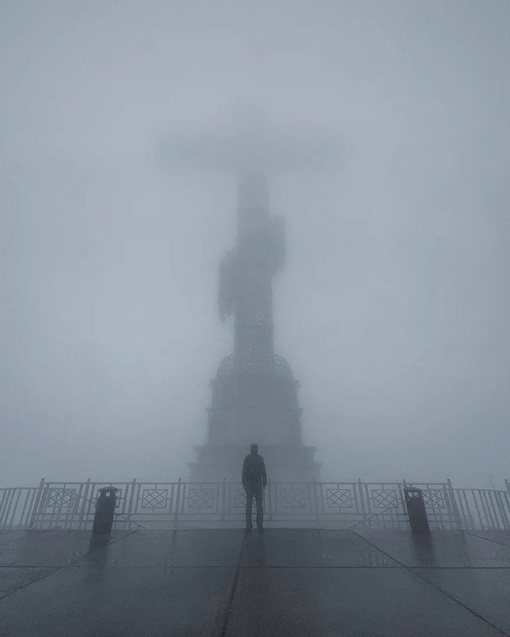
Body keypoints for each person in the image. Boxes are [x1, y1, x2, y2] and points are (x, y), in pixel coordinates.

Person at [242, 443, 267, 533]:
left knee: (249, 505)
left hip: (250, 483)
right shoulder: (260, 458)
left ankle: (249, 526)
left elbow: (244, 470)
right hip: (257, 483)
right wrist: (264, 481)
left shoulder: (247, 458)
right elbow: (263, 470)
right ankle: (259, 525)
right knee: (259, 505)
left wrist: (243, 481)